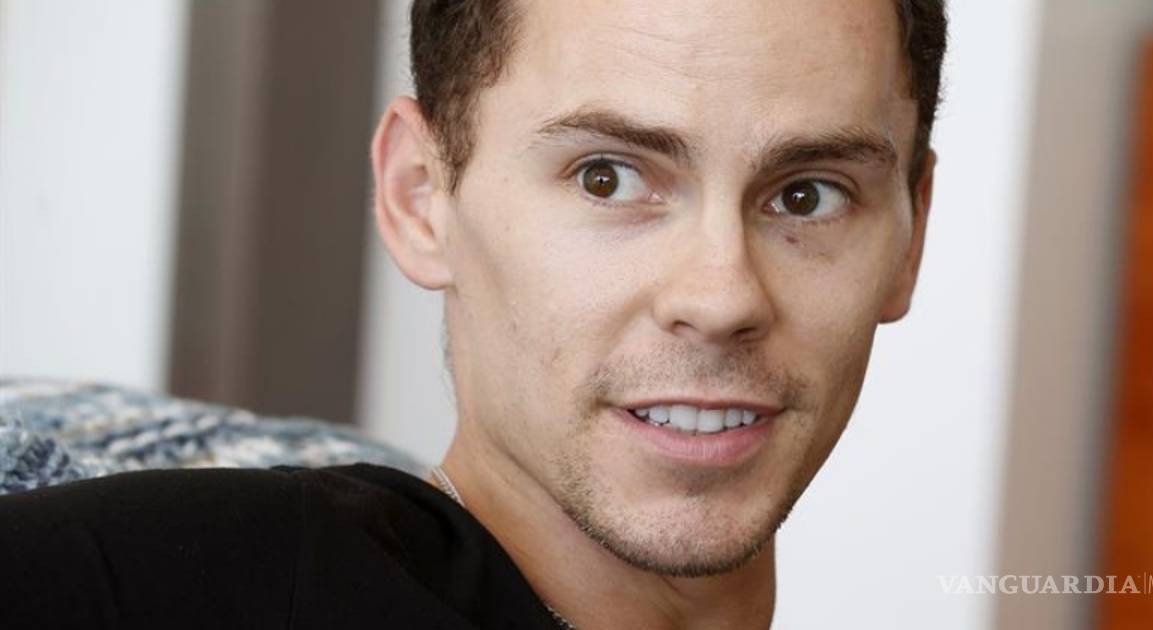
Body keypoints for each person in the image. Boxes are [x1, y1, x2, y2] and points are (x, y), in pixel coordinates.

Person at [0, 0, 945, 628]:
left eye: (809, 195)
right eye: (608, 178)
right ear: (420, 197)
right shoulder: (179, 581)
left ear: (911, 237)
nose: (722, 295)